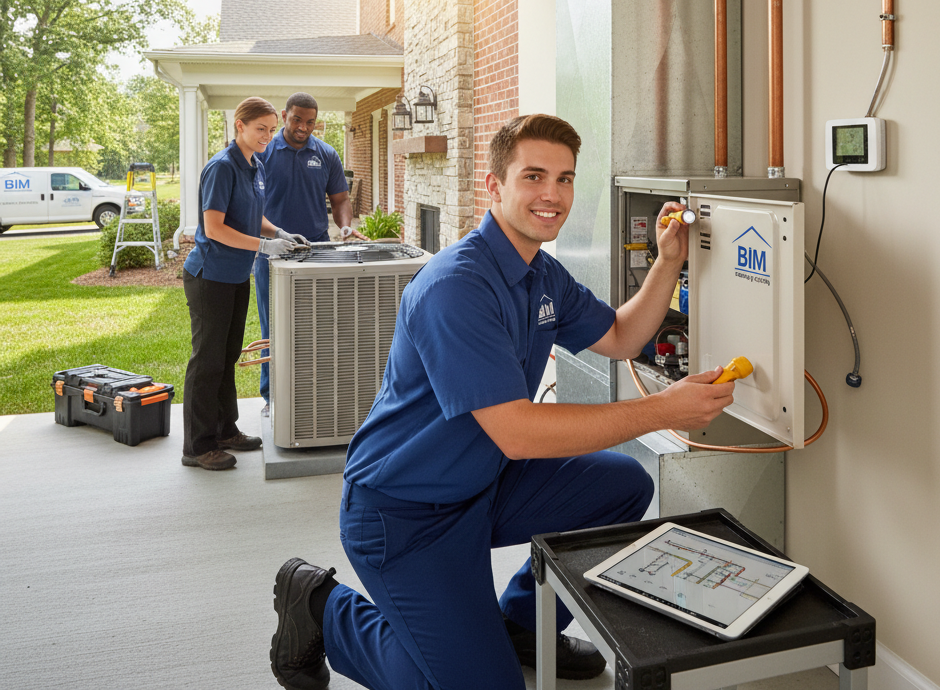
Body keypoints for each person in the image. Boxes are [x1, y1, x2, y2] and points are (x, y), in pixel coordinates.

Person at [269, 114, 736, 688]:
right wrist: (666, 410)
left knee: (624, 486)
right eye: (534, 176)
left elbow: (620, 337)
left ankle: (522, 624)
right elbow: (518, 432)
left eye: (564, 179)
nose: (552, 194)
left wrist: (667, 261)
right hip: (404, 513)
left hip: (483, 485)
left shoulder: (541, 274)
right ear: (494, 186)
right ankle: (322, 609)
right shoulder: (454, 287)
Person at [181, 97, 307, 472]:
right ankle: (197, 446)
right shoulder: (221, 167)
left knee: (228, 356)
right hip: (210, 276)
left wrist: (279, 231)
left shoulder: (255, 164)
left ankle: (224, 430)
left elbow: (252, 214)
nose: (267, 136)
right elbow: (215, 227)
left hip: (236, 274)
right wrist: (266, 246)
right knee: (207, 361)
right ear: (240, 126)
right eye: (260, 129)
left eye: (271, 129)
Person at [254, 92, 362, 408]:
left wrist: (343, 226)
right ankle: (272, 397)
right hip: (271, 254)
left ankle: (314, 393)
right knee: (272, 325)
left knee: (320, 326)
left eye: (310, 121)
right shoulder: (264, 152)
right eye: (297, 119)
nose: (303, 127)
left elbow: (341, 199)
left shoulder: (327, 154)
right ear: (285, 116)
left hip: (316, 252)